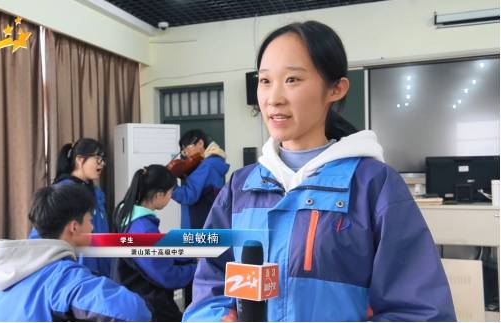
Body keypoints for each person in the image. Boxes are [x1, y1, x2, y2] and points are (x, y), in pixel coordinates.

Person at [183, 21, 456, 321]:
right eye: (264, 81)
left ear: (336, 88)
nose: (273, 97)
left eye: (292, 80)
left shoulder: (373, 185)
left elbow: (420, 311)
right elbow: (209, 288)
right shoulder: (240, 187)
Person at [0, 185, 151, 321]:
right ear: (74, 227)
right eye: (90, 220)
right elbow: (133, 311)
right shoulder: (63, 278)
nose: (93, 227)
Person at [112, 165, 196, 321]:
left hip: (133, 295)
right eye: (170, 192)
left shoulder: (127, 213)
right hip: (148, 305)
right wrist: (197, 269)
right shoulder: (143, 230)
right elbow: (166, 276)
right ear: (159, 195)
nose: (171, 197)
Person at [29, 138, 111, 277]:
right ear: (80, 160)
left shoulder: (96, 192)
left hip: (99, 270)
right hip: (73, 272)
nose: (101, 164)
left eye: (103, 159)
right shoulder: (62, 192)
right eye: (98, 158)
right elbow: (41, 235)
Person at [172, 129, 230, 230]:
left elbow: (189, 195)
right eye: (184, 152)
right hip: (209, 222)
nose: (186, 155)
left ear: (200, 143)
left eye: (187, 149)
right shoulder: (214, 163)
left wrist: (171, 187)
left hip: (198, 223)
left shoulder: (206, 165)